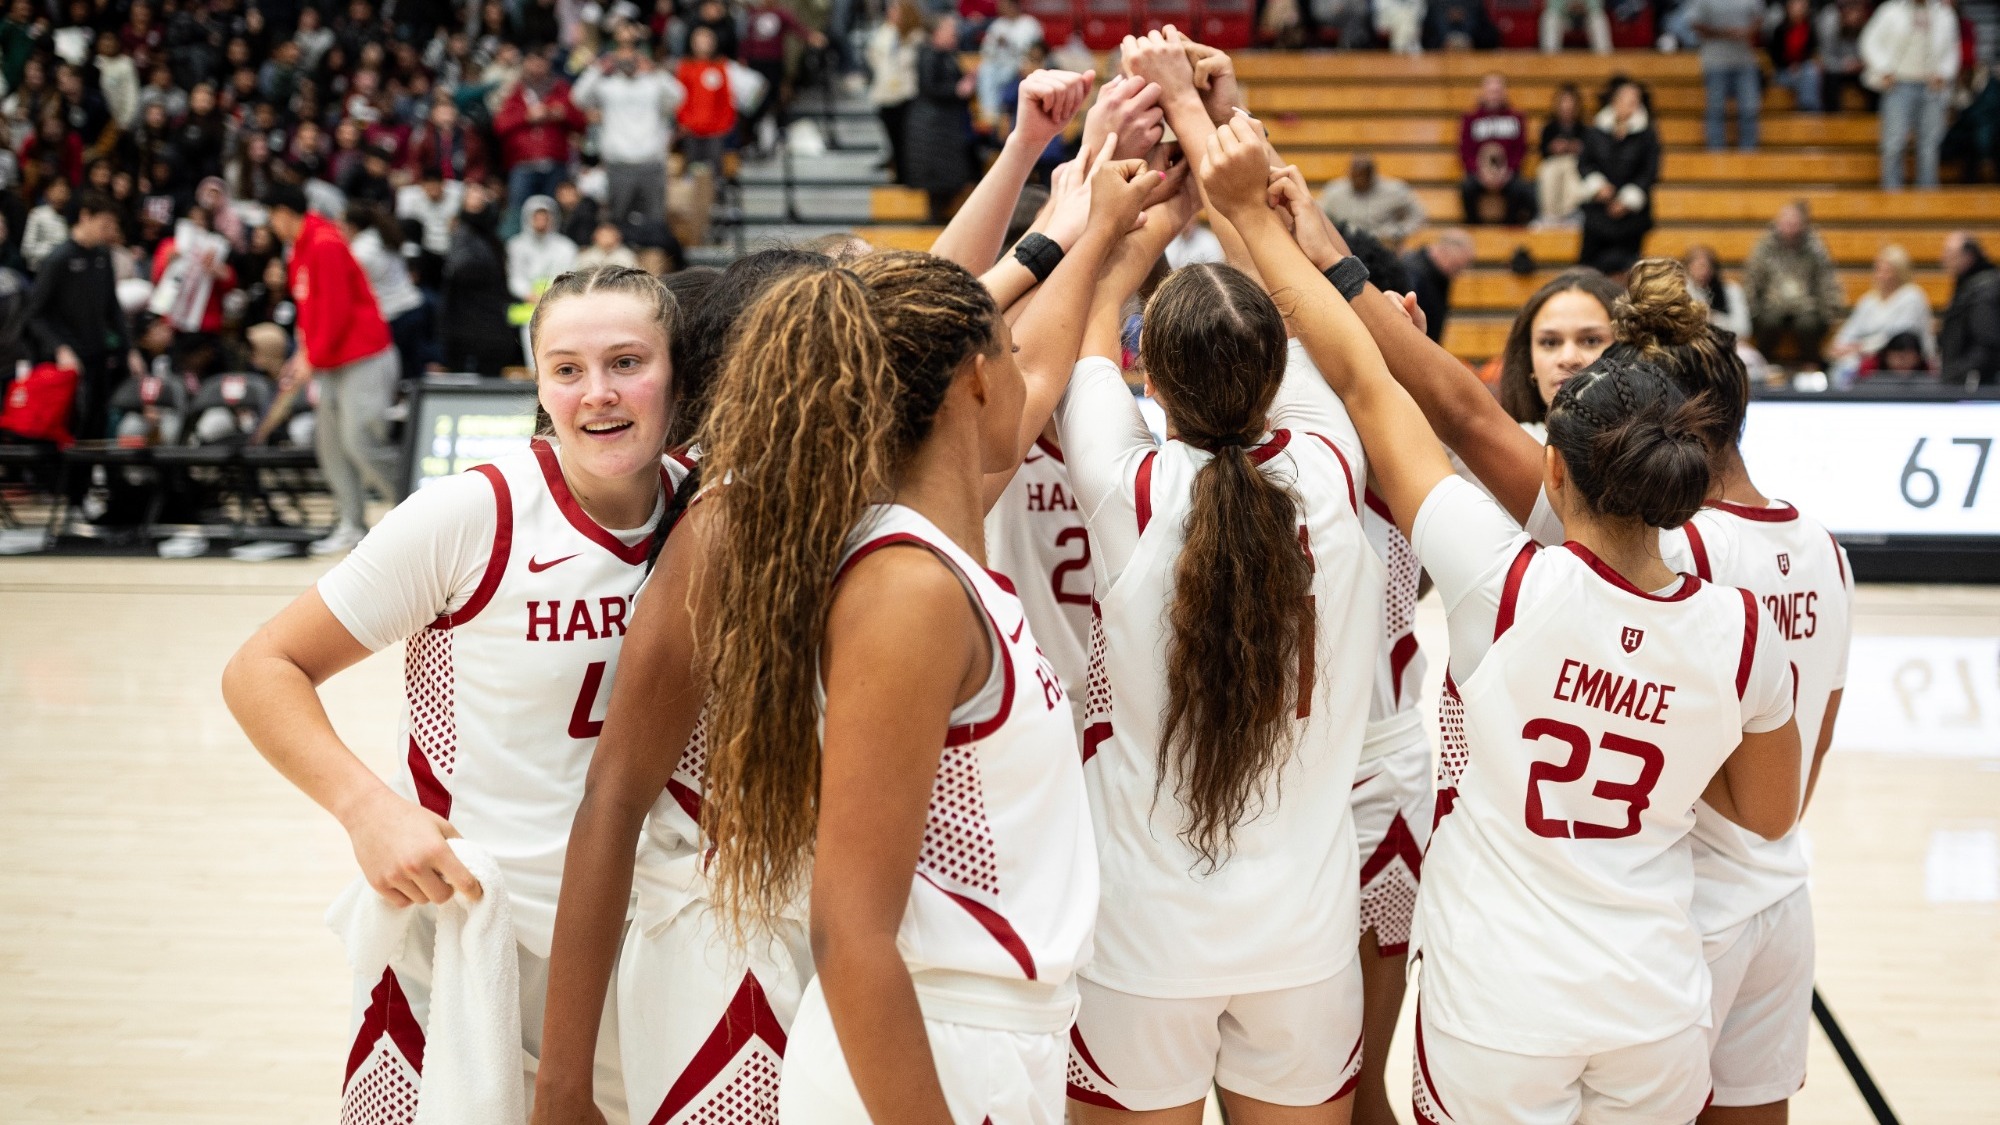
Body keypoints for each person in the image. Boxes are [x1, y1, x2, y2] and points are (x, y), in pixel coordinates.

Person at [1219, 110, 1804, 1121]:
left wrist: (1254, 221)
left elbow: (1367, 384)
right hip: (1651, 995)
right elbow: (1762, 814)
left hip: (1499, 996)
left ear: (1552, 473)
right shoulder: (1743, 630)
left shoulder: (1504, 580)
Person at [223, 265, 688, 1125]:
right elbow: (263, 667)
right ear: (538, 384)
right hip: (474, 939)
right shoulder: (476, 511)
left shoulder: (710, 507)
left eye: (627, 362)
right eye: (567, 369)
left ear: (677, 371)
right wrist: (368, 809)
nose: (599, 394)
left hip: (656, 943)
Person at [716, 237, 1145, 1119]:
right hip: (935, 1042)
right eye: (1012, 354)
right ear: (978, 380)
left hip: (985, 1035)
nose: (1031, 374)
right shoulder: (909, 589)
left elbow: (1052, 352)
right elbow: (851, 930)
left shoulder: (934, 555)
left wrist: (1106, 231)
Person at [526, 252, 830, 1125]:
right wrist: (562, 1085)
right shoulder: (723, 520)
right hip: (715, 939)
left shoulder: (809, 496)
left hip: (793, 923)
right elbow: (612, 797)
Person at [1616, 260, 1853, 1125]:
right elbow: (1812, 745)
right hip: (1782, 897)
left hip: (1690, 903)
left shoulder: (1683, 551)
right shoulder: (1826, 545)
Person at [264, 182, 403, 555]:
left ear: (283, 213)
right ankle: (351, 524)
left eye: (271, 217)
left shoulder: (326, 243)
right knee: (331, 445)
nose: (270, 225)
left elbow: (338, 312)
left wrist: (312, 358)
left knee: (362, 443)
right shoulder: (299, 248)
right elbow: (310, 311)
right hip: (332, 360)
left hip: (364, 357)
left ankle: (417, 514)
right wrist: (302, 354)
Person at [22, 189, 125, 450]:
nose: (108, 231)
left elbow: (113, 308)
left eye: (112, 226)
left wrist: (130, 348)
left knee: (96, 427)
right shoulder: (59, 259)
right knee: (68, 430)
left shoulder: (103, 257)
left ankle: (82, 489)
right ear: (85, 217)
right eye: (104, 225)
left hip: (97, 355)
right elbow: (34, 315)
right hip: (67, 362)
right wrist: (60, 348)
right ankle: (60, 489)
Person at [573, 41, 685, 229]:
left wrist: (656, 70)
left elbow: (679, 96)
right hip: (618, 164)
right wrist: (599, 68)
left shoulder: (652, 83)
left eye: (632, 56)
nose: (628, 62)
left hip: (652, 163)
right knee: (618, 221)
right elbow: (578, 97)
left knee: (655, 222)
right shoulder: (608, 85)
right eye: (622, 56)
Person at [1495, 268, 1623, 432]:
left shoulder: (1662, 447)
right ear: (1529, 362)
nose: (1568, 358)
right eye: (1550, 343)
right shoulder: (1498, 447)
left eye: (1591, 341)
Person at [1861, 0, 1960, 190]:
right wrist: (1884, 69)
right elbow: (1869, 41)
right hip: (1899, 84)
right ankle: (1891, 193)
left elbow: (1952, 49)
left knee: (1930, 146)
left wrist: (1944, 73)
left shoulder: (1944, 14)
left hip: (1931, 85)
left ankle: (1928, 195)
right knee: (1894, 143)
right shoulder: (1890, 11)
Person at [495, 49, 590, 235]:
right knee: (517, 213)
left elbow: (581, 122)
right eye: (533, 61)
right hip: (522, 163)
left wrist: (562, 114)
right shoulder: (515, 91)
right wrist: (526, 116)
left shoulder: (561, 89)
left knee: (555, 214)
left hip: (554, 162)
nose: (537, 67)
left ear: (548, 64)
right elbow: (500, 125)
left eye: (541, 62)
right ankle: (514, 254)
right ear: (525, 64)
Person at [1743, 202, 1844, 367]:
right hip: (1772, 303)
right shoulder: (1764, 247)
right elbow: (1753, 280)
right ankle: (1763, 365)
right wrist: (1751, 310)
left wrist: (1830, 312)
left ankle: (1812, 367)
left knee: (1808, 325)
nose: (1790, 228)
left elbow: (1826, 280)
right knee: (1769, 322)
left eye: (1795, 223)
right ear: (1778, 223)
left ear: (1804, 225)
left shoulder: (1816, 248)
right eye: (1786, 223)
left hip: (1806, 305)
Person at [1577, 78, 1659, 277]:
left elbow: (1650, 171)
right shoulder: (1595, 131)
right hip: (1598, 210)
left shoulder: (1647, 134)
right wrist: (1598, 187)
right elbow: (1584, 164)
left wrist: (1627, 200)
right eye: (1629, 100)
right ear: (1615, 102)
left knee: (1629, 271)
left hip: (1632, 216)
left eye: (1636, 100)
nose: (1634, 104)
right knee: (1589, 271)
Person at [443, 182, 524, 377]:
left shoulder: (490, 236)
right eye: (471, 196)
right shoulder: (463, 233)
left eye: (481, 196)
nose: (477, 199)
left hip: (492, 313)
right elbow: (459, 268)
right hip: (468, 318)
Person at [343, 200, 430, 379]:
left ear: (351, 226)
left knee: (402, 373)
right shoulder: (380, 235)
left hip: (395, 315)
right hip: (412, 306)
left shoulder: (361, 251)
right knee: (414, 370)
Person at [1829, 244, 1935, 379]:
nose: (1882, 275)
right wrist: (1840, 347)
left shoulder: (1912, 296)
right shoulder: (1869, 300)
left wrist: (1860, 349)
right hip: (1867, 358)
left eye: (1888, 271)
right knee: (1843, 366)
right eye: (1879, 270)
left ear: (1900, 272)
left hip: (1902, 362)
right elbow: (1848, 332)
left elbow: (1900, 339)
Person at [908, 15, 976, 222]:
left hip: (946, 126)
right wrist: (958, 89)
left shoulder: (947, 55)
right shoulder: (929, 54)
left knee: (952, 179)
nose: (955, 33)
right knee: (938, 182)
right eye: (950, 29)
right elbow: (931, 87)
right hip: (933, 128)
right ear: (937, 32)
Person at [739, 0, 826, 154]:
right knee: (756, 100)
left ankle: (777, 132)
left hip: (773, 62)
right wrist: (743, 57)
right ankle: (750, 135)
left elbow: (796, 28)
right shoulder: (752, 14)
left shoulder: (781, 13)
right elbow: (746, 39)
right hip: (755, 63)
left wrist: (811, 37)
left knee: (775, 97)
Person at [1685, 0, 1765, 150]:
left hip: (1745, 61)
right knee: (1716, 110)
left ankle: (1749, 157)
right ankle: (1716, 158)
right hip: (1715, 61)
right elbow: (1694, 23)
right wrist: (1723, 33)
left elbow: (1760, 18)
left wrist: (1748, 31)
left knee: (1749, 109)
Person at [1458, 73, 1535, 225]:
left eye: (1497, 91)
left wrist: (1507, 172)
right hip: (1479, 174)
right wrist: (1480, 172)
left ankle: (1511, 228)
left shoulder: (1516, 118)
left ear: (1504, 93)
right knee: (1467, 188)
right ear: (1483, 93)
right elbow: (1465, 151)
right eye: (1491, 91)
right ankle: (1474, 228)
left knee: (1522, 190)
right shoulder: (1470, 119)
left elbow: (1520, 150)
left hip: (1508, 174)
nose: (1494, 95)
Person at [867, 0, 923, 185]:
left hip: (906, 95)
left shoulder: (916, 37)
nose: (890, 13)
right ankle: (898, 175)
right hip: (885, 94)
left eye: (895, 9)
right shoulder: (885, 32)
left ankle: (909, 177)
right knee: (892, 140)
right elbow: (873, 56)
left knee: (907, 141)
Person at [1319, 153, 1426, 248]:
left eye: (1363, 176)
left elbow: (1419, 216)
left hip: (1383, 248)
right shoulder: (1334, 192)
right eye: (1355, 176)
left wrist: (1397, 232)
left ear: (1372, 174)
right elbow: (1319, 217)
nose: (1359, 180)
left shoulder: (1395, 190)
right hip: (1346, 247)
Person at [1941, 231, 2000, 385]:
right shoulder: (1969, 285)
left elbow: (1987, 343)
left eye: (1949, 252)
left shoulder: (1983, 290)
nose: (1943, 258)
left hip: (1976, 386)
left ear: (1968, 256)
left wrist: (1958, 374)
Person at [674, 26, 736, 172]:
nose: (703, 44)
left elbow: (726, 97)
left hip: (715, 130)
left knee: (714, 170)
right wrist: (683, 121)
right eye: (699, 41)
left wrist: (726, 123)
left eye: (707, 40)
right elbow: (679, 97)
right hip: (691, 129)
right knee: (692, 170)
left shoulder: (720, 66)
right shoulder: (685, 67)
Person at [977, 0, 1042, 131]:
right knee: (985, 70)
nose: (1002, 10)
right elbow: (986, 51)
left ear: (1015, 6)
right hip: (999, 64)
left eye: (1005, 6)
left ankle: (1001, 112)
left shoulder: (1030, 24)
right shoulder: (997, 25)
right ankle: (990, 113)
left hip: (1021, 64)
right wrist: (996, 45)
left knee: (1007, 76)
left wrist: (1009, 43)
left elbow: (1037, 51)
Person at [1401, 229, 1474, 344]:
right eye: (1456, 266)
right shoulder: (1413, 273)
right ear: (1444, 252)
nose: (1457, 274)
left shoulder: (1440, 276)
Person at [509, 195, 581, 306]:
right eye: (537, 217)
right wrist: (528, 294)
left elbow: (569, 276)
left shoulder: (566, 246)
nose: (541, 221)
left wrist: (551, 294)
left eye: (545, 217)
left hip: (557, 301)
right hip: (526, 305)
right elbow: (516, 277)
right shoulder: (516, 245)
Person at [1535, 84, 1589, 228]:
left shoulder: (1583, 129)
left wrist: (1574, 147)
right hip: (1553, 164)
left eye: (1570, 103)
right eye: (1564, 102)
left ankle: (1570, 214)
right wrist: (1554, 148)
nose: (1567, 107)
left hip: (1574, 164)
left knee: (1571, 169)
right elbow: (1543, 152)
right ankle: (1549, 215)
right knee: (1547, 171)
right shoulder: (1549, 128)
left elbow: (1588, 153)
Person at [1683, 243, 1754, 341]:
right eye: (1699, 266)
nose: (1704, 272)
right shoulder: (1682, 292)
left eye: (1708, 266)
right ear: (1688, 268)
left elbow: (1744, 329)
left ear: (1714, 269)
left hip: (1727, 344)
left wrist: (1715, 319)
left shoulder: (1731, 290)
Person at [1818, 0, 1874, 111]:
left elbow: (1874, 55)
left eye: (1857, 13)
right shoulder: (1831, 26)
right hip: (1838, 69)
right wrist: (1843, 66)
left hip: (1860, 69)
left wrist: (1862, 63)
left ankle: (1873, 118)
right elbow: (1825, 59)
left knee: (1874, 80)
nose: (1854, 17)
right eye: (1850, 13)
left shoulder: (1869, 26)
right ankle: (1831, 119)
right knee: (1830, 79)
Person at [1767, 0, 1822, 112]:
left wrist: (1800, 65)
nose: (1799, 9)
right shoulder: (1780, 30)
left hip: (1804, 69)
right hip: (1783, 72)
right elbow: (1774, 56)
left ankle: (1807, 111)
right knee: (1809, 76)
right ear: (1788, 8)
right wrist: (1789, 66)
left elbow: (1813, 52)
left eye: (1802, 5)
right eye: (1796, 5)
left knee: (1810, 71)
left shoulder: (1810, 28)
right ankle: (1810, 112)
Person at [1541, 0, 1611, 54]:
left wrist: (1584, 6)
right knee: (1550, 18)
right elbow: (1552, 6)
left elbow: (1597, 5)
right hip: (1564, 16)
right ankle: (1550, 60)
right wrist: (1568, 6)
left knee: (1598, 18)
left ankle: (1604, 59)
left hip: (1587, 16)